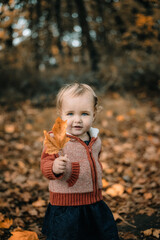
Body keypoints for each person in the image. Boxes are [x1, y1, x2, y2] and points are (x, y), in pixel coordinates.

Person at [41, 83, 119, 240]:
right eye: (70, 114)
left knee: (101, 234)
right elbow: (45, 164)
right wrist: (54, 168)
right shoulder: (55, 140)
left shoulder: (95, 139)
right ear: (60, 114)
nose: (77, 120)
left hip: (94, 201)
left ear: (94, 114)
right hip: (66, 205)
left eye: (84, 114)